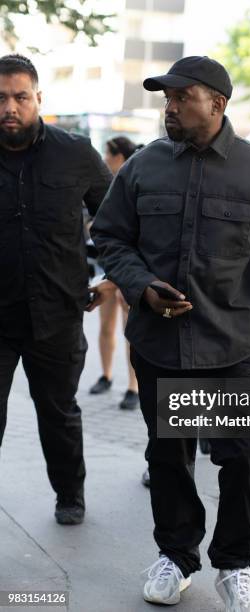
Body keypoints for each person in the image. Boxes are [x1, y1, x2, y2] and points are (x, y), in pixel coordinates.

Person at [91, 56, 250, 610]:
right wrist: (141, 288)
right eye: (165, 97)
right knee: (168, 458)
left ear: (218, 102)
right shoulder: (143, 167)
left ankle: (236, 567)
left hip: (237, 350)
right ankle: (176, 557)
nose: (170, 107)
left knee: (243, 459)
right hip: (162, 346)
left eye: (181, 97)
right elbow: (111, 238)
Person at [0, 54, 113, 526]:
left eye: (20, 97)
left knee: (59, 414)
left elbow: (117, 218)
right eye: (1, 98)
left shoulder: (76, 153)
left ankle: (70, 494)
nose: (10, 107)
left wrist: (112, 277)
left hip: (58, 314)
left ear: (38, 98)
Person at [89, 136, 143, 411]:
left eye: (107, 153)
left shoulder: (134, 179)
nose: (104, 157)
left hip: (128, 268)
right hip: (105, 266)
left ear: (118, 155)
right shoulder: (103, 182)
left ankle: (133, 387)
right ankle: (106, 375)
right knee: (105, 324)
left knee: (128, 328)